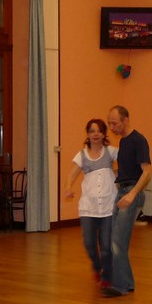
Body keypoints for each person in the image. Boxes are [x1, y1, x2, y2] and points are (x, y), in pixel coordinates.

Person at [101, 105, 151, 298]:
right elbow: (126, 171)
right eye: (109, 123)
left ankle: (120, 286)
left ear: (126, 120)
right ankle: (127, 282)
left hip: (131, 193)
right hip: (122, 191)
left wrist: (132, 195)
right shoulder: (123, 141)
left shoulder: (138, 140)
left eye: (114, 123)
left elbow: (147, 171)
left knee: (117, 241)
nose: (111, 127)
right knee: (114, 238)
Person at [64, 119, 117, 289]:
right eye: (92, 131)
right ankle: (97, 266)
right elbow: (72, 175)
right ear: (87, 134)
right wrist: (68, 187)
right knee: (89, 244)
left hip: (108, 206)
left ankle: (107, 276)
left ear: (104, 134)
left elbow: (126, 162)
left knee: (106, 245)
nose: (95, 134)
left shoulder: (111, 152)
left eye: (99, 131)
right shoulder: (82, 155)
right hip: (88, 207)